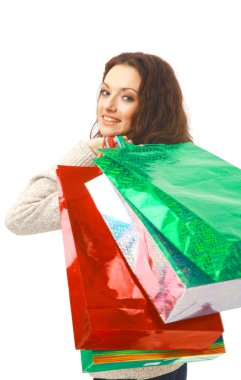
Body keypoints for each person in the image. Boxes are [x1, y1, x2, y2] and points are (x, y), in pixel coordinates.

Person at [5, 52, 192, 379]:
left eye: (127, 97)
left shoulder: (159, 176)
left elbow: (23, 215)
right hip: (132, 358)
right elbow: (20, 217)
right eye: (106, 92)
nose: (108, 105)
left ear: (152, 106)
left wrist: (92, 163)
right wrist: (91, 151)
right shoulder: (108, 171)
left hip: (154, 361)